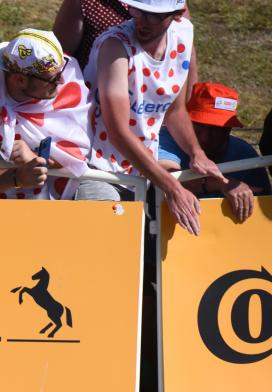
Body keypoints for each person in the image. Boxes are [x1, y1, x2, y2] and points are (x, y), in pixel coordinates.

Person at [76, 0, 224, 236]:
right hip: (98, 168)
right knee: (102, 249)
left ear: (176, 15)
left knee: (147, 264)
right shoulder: (115, 46)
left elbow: (175, 112)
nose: (143, 21)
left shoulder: (183, 34)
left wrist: (197, 153)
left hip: (143, 172)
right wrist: (172, 187)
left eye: (155, 16)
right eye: (139, 11)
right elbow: (118, 133)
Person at [0, 29, 92, 201]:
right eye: (52, 79)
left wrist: (38, 159)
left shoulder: (64, 90)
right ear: (19, 79)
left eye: (59, 74)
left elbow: (75, 156)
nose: (61, 82)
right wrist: (16, 178)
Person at [157, 83, 271, 222]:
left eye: (215, 129)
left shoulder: (244, 153)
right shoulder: (165, 140)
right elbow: (162, 177)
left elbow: (263, 201)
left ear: (228, 130)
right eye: (198, 125)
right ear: (185, 121)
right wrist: (220, 183)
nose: (205, 136)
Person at [52, 0, 196, 96]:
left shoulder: (167, 5)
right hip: (96, 109)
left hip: (155, 109)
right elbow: (59, 58)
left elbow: (184, 53)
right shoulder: (85, 2)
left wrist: (190, 100)